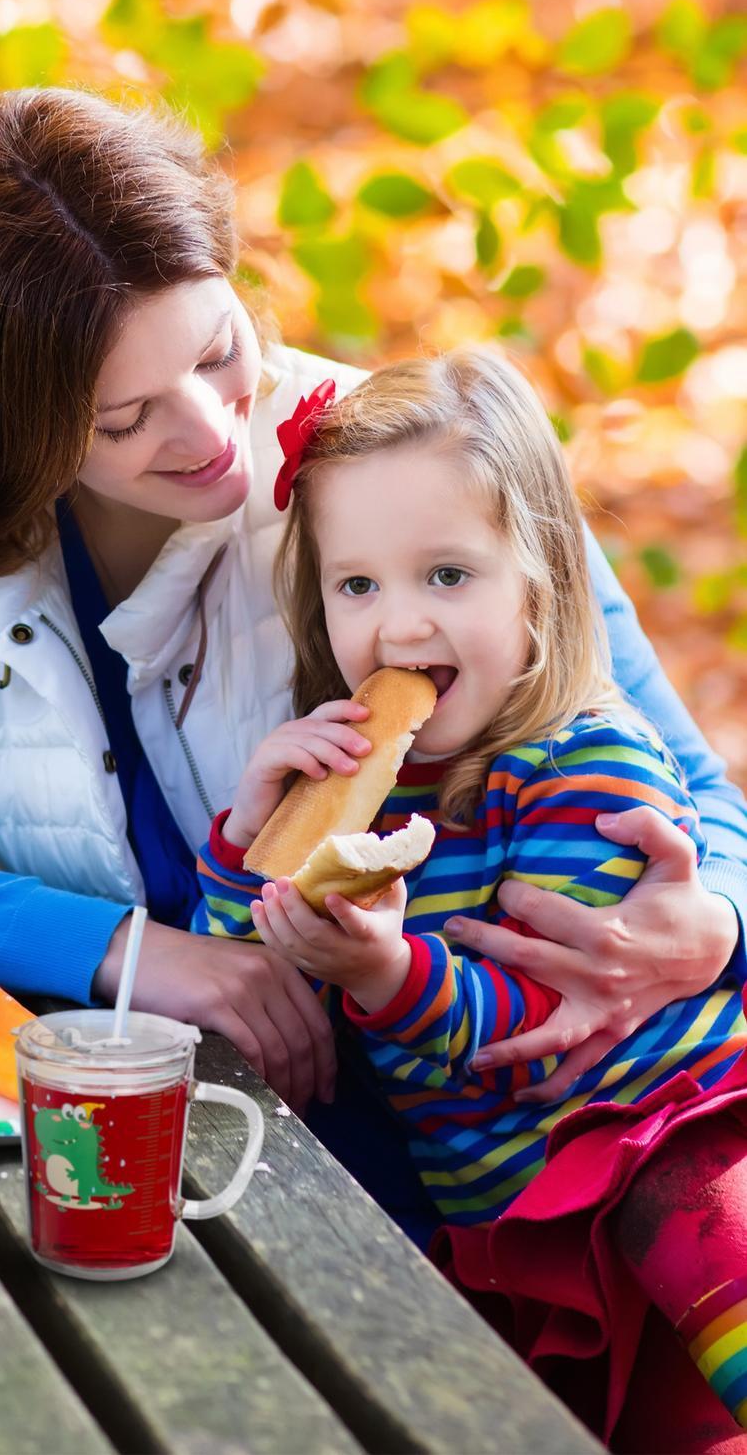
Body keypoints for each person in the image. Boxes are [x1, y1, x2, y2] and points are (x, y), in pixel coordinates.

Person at [0, 87, 747, 1239]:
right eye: (123, 419)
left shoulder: (398, 471)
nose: (211, 433)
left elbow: (700, 793)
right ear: (7, 433)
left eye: (219, 352)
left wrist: (718, 917)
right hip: (167, 1127)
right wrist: (139, 955)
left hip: (477, 1139)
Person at [193, 346, 747, 1449]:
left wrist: (387, 975)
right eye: (359, 585)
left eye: (447, 576)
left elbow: (542, 1027)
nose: (399, 627)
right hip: (514, 1216)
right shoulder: (368, 787)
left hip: (663, 1148)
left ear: (538, 588)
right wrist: (250, 842)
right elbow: (253, 972)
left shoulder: (587, 767)